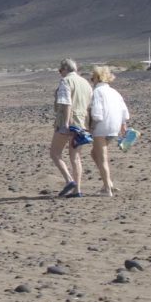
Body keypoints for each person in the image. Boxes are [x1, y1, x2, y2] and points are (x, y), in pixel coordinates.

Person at [51, 58, 93, 198]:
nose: (60, 73)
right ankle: (78, 190)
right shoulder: (86, 83)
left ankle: (69, 180)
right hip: (81, 122)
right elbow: (89, 105)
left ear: (64, 69)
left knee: (55, 153)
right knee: (75, 157)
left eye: (60, 71)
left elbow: (66, 102)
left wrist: (67, 122)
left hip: (67, 122)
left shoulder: (66, 81)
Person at [88, 65, 130, 197]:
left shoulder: (97, 92)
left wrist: (90, 127)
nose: (91, 80)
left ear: (97, 78)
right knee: (95, 154)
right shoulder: (115, 92)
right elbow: (124, 111)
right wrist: (123, 126)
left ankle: (107, 188)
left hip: (102, 126)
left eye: (92, 77)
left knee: (102, 157)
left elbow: (97, 113)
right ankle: (109, 183)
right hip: (114, 126)